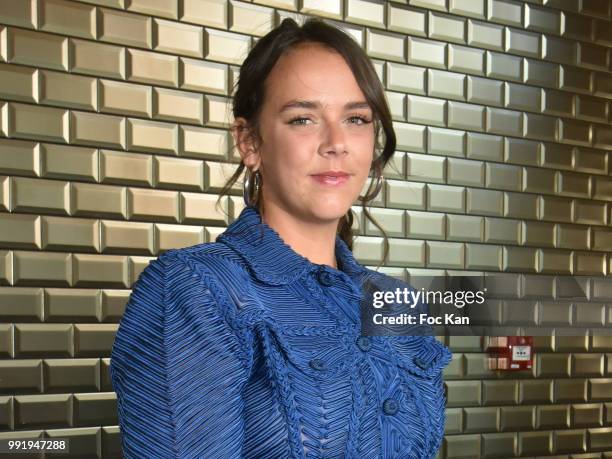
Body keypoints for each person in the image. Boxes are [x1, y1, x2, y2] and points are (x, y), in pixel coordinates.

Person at [110, 17, 452, 459]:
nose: (336, 142)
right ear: (250, 142)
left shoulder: (397, 302)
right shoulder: (196, 291)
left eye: (356, 118)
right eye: (303, 118)